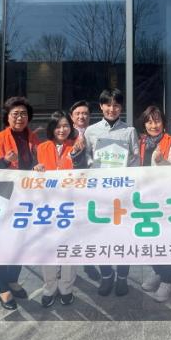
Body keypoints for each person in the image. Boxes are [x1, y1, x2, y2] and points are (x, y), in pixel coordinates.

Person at [0, 96, 40, 310]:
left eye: (23, 114)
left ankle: (13, 279)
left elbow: (41, 164)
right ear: (7, 117)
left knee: (21, 242)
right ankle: (1, 287)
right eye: (15, 114)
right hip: (4, 199)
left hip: (28, 200)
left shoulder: (35, 139)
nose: (20, 118)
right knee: (1, 244)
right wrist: (5, 161)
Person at [84, 88, 139, 296]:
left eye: (116, 105)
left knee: (124, 235)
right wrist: (96, 166)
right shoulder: (91, 131)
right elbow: (86, 157)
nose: (112, 109)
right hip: (99, 193)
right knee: (101, 234)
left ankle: (122, 277)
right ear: (101, 106)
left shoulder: (129, 131)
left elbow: (136, 160)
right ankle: (106, 275)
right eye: (108, 104)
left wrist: (124, 172)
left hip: (122, 193)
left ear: (121, 107)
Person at [34, 111, 85, 307]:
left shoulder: (76, 147)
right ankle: (49, 287)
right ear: (52, 128)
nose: (62, 130)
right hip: (47, 206)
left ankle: (66, 287)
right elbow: (33, 176)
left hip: (70, 205)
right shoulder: (42, 147)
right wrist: (36, 170)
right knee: (48, 248)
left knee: (68, 248)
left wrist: (77, 156)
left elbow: (84, 173)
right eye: (58, 126)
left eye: (65, 126)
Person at [136, 105, 171, 302]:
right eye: (149, 122)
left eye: (157, 121)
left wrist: (162, 161)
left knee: (166, 241)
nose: (153, 125)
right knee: (148, 239)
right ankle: (158, 272)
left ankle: (167, 281)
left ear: (163, 123)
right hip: (145, 199)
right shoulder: (141, 142)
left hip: (165, 198)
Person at [69, 100, 101, 283]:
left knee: (90, 226)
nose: (82, 116)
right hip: (71, 188)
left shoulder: (95, 133)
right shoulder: (64, 132)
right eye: (78, 113)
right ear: (72, 116)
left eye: (85, 114)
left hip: (93, 187)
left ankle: (89, 263)